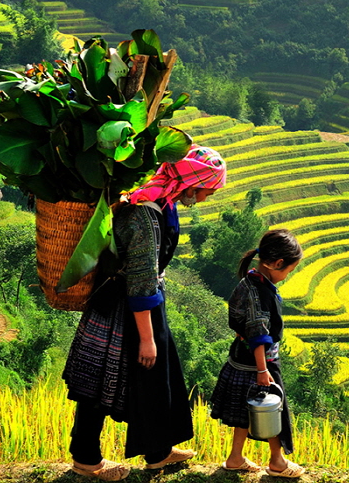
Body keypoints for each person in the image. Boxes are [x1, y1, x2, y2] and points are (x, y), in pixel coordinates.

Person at [63, 145, 227, 481]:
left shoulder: (161, 201)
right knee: (98, 381)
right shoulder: (144, 214)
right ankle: (86, 459)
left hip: (146, 302)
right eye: (208, 190)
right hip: (123, 306)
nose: (207, 197)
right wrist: (148, 338)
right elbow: (140, 281)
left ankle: (159, 451)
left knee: (157, 379)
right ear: (192, 183)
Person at [210, 229, 305, 478]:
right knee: (272, 408)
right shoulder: (258, 293)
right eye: (288, 271)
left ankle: (235, 458)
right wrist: (263, 370)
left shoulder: (250, 280)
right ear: (277, 263)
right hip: (260, 363)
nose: (286, 276)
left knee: (246, 410)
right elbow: (257, 333)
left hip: (240, 358)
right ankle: (277, 462)